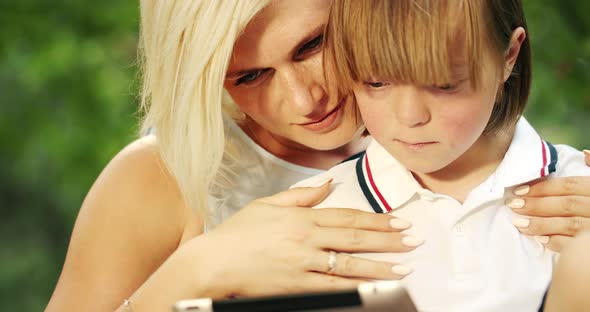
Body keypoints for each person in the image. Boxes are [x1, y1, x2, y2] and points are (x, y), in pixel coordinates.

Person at [45, 1, 590, 311]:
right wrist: (198, 269)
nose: (306, 100)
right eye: (250, 76)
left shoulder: (454, 140)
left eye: (311, 45)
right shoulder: (160, 177)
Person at [292, 0, 590, 311]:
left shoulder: (580, 189)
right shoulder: (310, 218)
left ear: (509, 56)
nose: (410, 116)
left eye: (443, 84)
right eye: (376, 83)